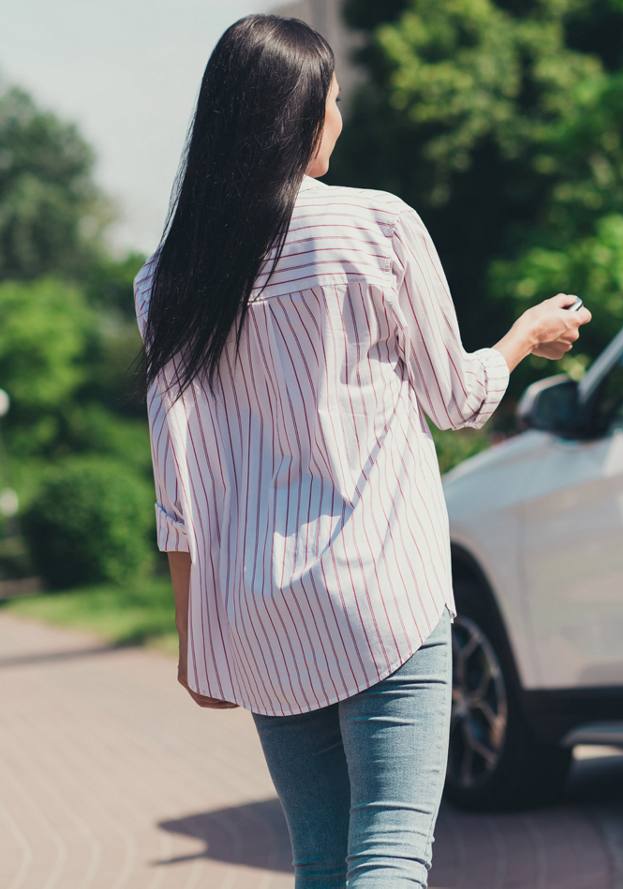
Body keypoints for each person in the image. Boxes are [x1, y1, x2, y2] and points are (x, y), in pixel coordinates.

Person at [133, 14, 590, 888]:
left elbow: (177, 482)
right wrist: (525, 337)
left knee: (321, 859)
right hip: (385, 588)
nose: (340, 119)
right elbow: (457, 398)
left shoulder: (167, 278)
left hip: (258, 609)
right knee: (388, 851)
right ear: (300, 116)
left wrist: (195, 637)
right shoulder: (375, 225)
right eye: (334, 102)